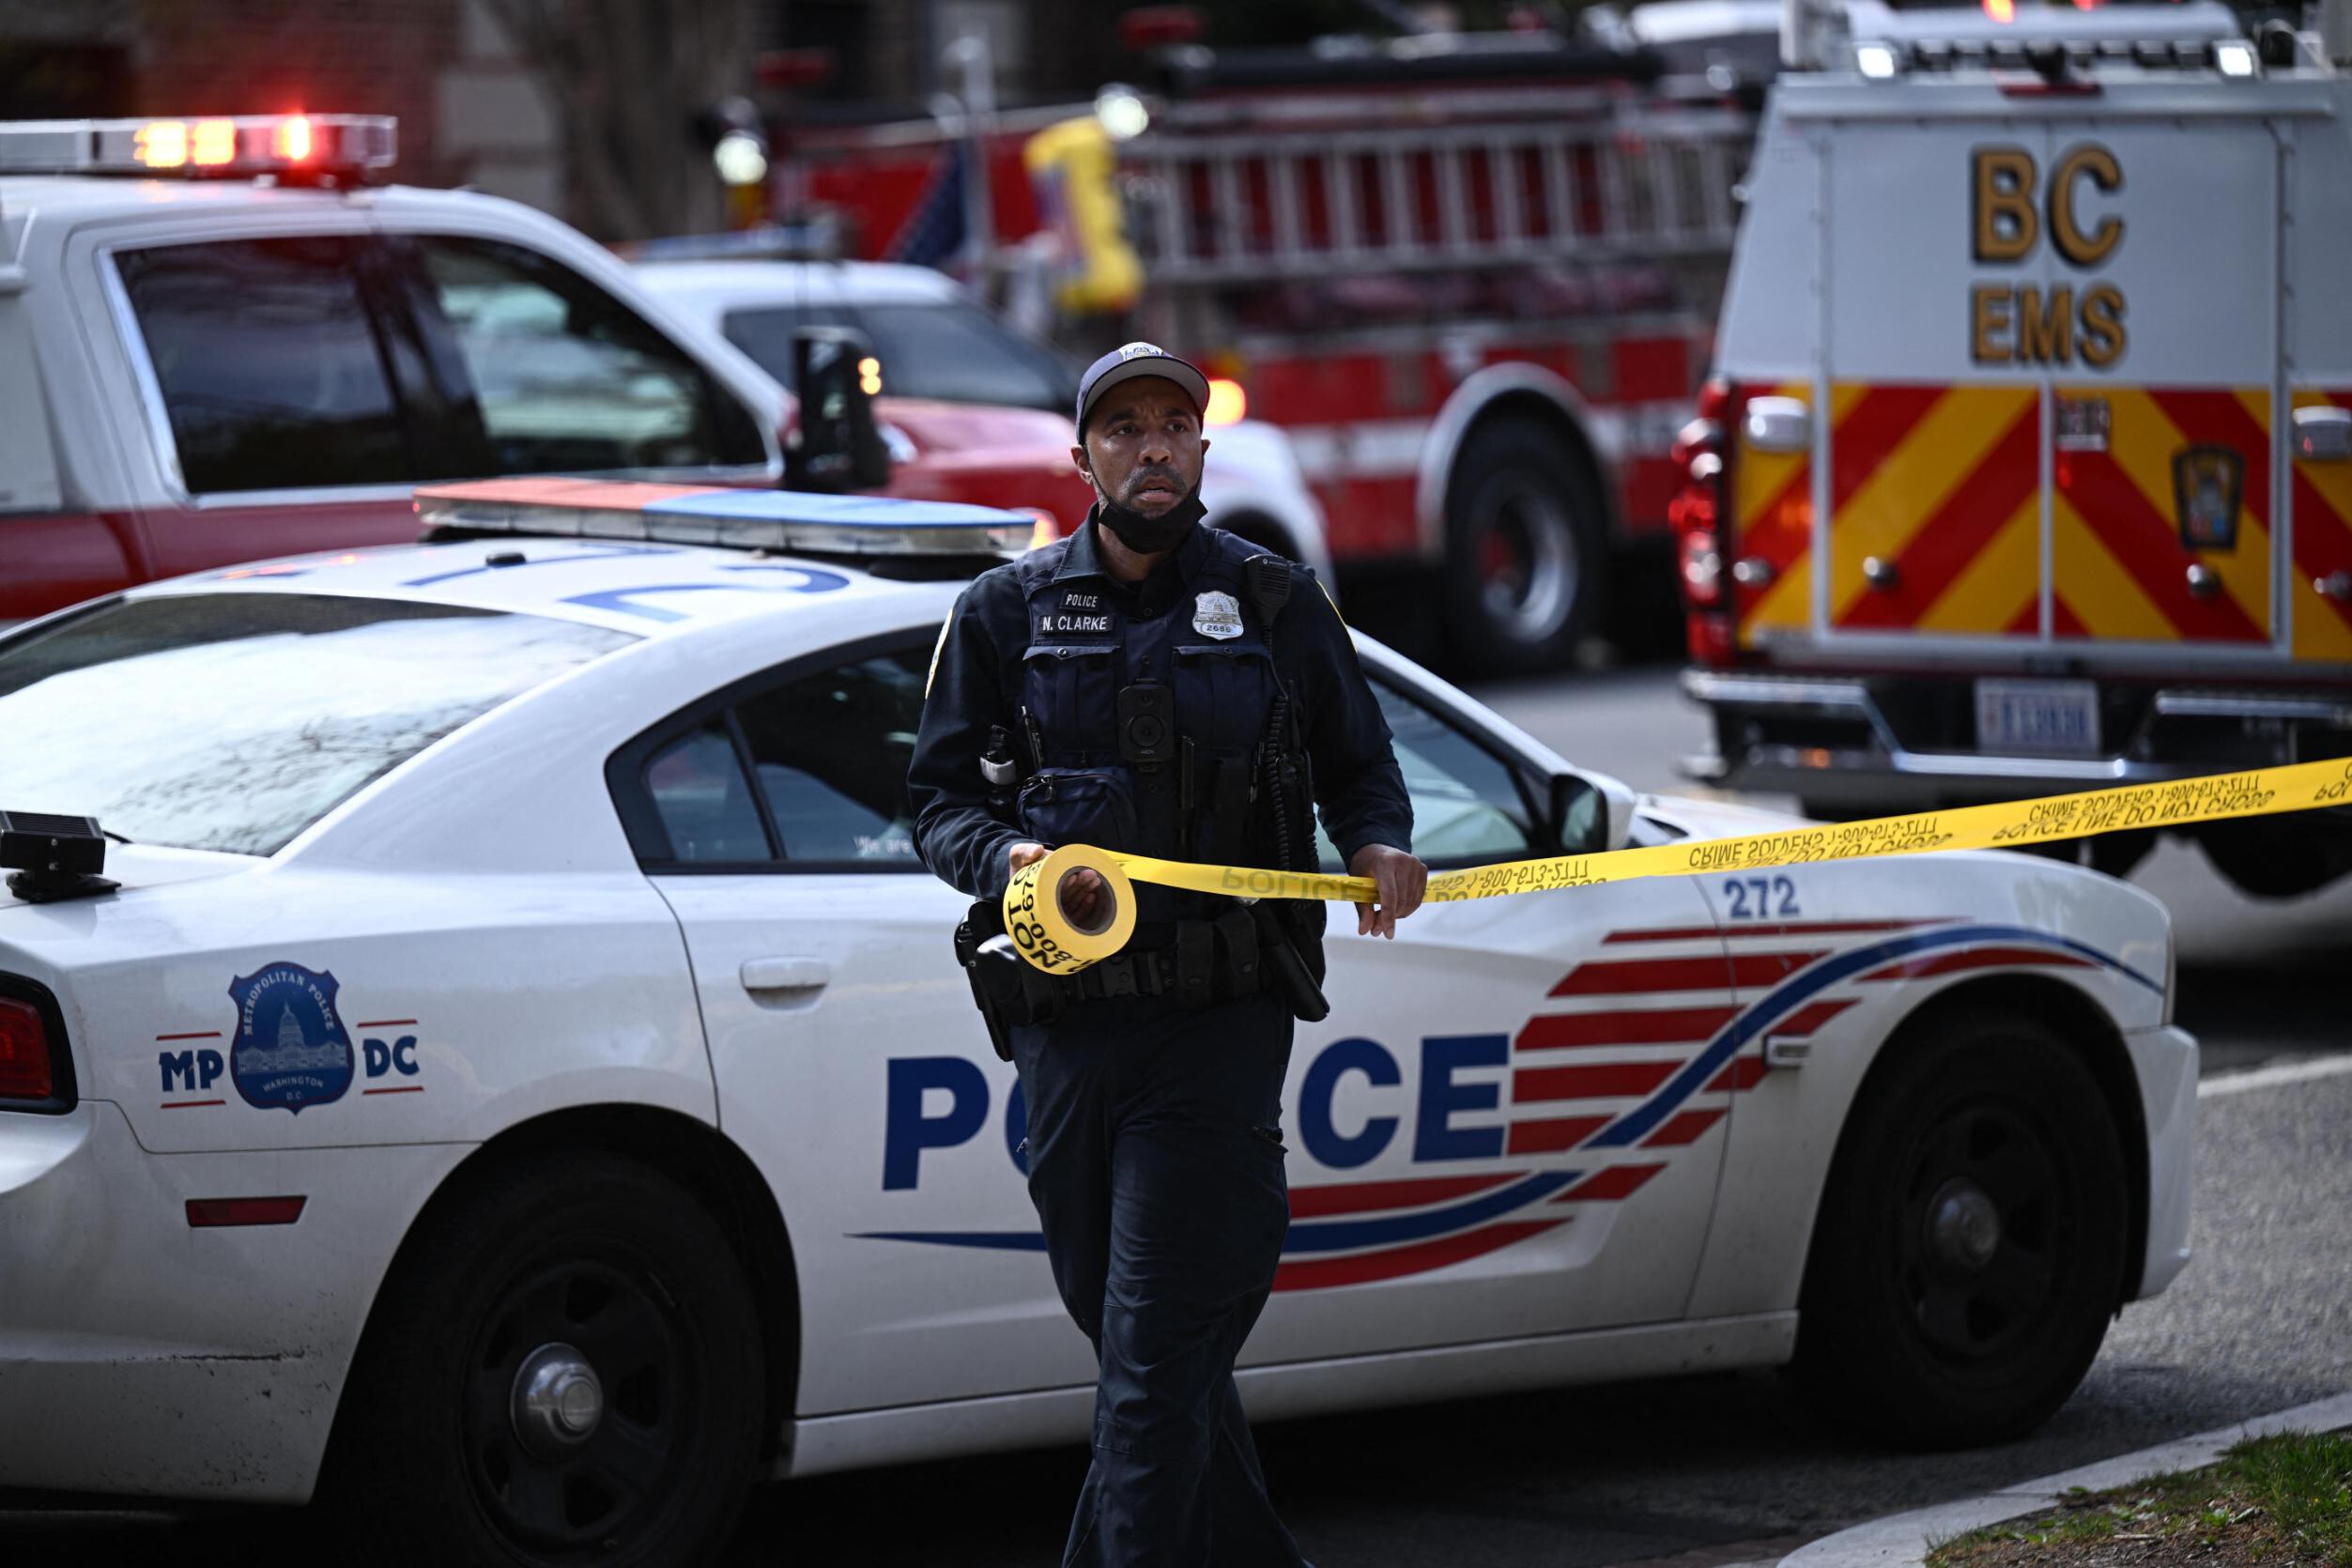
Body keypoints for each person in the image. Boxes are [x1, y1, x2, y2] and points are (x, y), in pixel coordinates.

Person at [908, 342, 1427, 1567]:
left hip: (1218, 1028)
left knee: (1148, 1362)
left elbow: (1364, 767)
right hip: (1068, 1032)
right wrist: (1010, 863)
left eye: (1173, 426)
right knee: (1152, 1347)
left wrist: (1380, 843)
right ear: (1080, 455)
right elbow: (935, 804)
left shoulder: (1274, 601)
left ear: (1201, 446)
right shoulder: (1002, 612)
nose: (1152, 446)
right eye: (1124, 427)